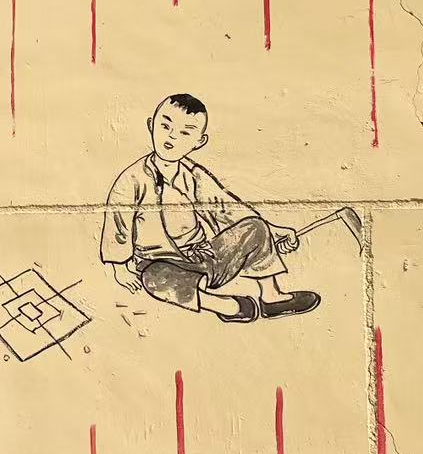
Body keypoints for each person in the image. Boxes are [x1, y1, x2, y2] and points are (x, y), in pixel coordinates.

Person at [100, 93, 319, 323]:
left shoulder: (193, 174)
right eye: (165, 126)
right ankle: (227, 306)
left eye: (185, 133)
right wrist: (119, 268)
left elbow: (225, 208)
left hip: (204, 256)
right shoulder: (132, 178)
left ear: (199, 142)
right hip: (160, 262)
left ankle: (271, 297)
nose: (172, 137)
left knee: (255, 226)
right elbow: (119, 222)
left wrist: (273, 231)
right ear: (151, 125)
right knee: (154, 278)